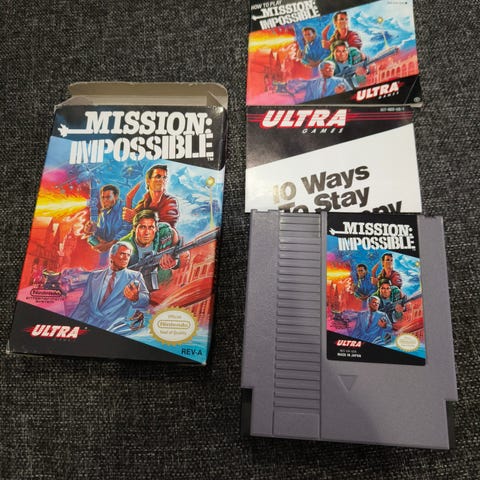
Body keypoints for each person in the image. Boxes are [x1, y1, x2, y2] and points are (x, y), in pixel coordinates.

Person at [71, 242, 149, 330]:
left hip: (116, 328)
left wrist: (136, 298)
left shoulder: (135, 276)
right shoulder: (94, 276)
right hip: (91, 325)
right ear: (112, 256)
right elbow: (84, 304)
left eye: (128, 255)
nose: (126, 258)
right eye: (122, 254)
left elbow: (146, 299)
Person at [120, 209, 179, 292]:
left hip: (166, 287)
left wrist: (175, 261)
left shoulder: (165, 232)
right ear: (134, 228)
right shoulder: (124, 245)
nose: (147, 232)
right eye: (142, 227)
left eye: (151, 227)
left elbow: (175, 239)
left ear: (156, 228)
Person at [84, 184, 131, 263]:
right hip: (107, 256)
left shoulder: (125, 209)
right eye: (103, 197)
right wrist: (94, 229)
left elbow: (127, 230)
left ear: (116, 196)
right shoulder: (104, 213)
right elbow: (103, 233)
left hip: (124, 253)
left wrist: (110, 245)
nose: (104, 200)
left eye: (108, 197)